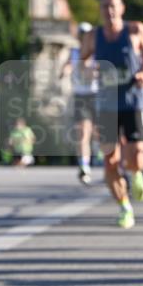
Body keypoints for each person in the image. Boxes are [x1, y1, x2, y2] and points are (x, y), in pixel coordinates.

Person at [83, 0, 143, 229]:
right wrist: (87, 70)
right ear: (100, 10)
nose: (109, 10)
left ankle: (136, 173)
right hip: (106, 104)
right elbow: (82, 60)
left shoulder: (135, 30)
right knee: (110, 161)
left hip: (132, 100)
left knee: (135, 155)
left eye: (113, 5)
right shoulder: (93, 36)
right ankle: (124, 207)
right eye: (105, 6)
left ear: (122, 8)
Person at [60, 22, 98, 184]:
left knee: (100, 133)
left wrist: (93, 72)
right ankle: (84, 166)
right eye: (81, 34)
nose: (84, 37)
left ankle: (113, 164)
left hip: (96, 96)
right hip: (80, 96)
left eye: (86, 34)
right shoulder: (74, 52)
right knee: (82, 133)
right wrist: (65, 71)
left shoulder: (96, 52)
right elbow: (68, 66)